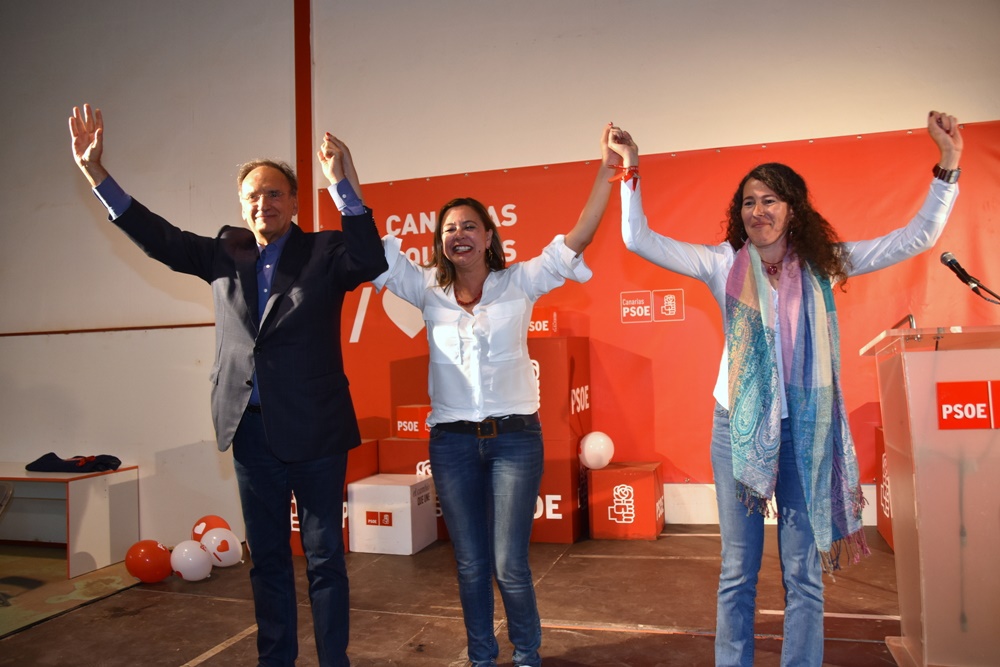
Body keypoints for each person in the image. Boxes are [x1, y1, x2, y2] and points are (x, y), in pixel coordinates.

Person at [608, 111, 963, 667]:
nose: (758, 211)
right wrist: (630, 169)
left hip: (806, 429)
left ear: (792, 208)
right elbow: (637, 239)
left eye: (770, 200)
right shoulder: (722, 263)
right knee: (737, 571)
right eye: (749, 202)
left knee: (802, 573)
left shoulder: (825, 265)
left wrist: (949, 163)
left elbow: (916, 237)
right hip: (737, 428)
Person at [68, 103, 388, 667]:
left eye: (274, 194)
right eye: (252, 196)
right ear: (242, 206)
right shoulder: (224, 250)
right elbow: (160, 238)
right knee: (267, 561)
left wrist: (343, 185)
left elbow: (369, 257)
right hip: (251, 434)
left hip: (316, 434)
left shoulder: (325, 250)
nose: (263, 204)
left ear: (294, 201)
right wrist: (97, 175)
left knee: (324, 561)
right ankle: (275, 660)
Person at [321, 123, 627, 667]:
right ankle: (482, 656)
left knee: (509, 564)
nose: (458, 234)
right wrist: (344, 178)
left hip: (516, 441)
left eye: (469, 226)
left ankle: (527, 654)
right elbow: (372, 247)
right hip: (453, 444)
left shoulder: (521, 282)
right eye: (448, 229)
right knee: (469, 565)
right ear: (440, 243)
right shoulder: (426, 289)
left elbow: (579, 236)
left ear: (488, 236)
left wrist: (609, 167)